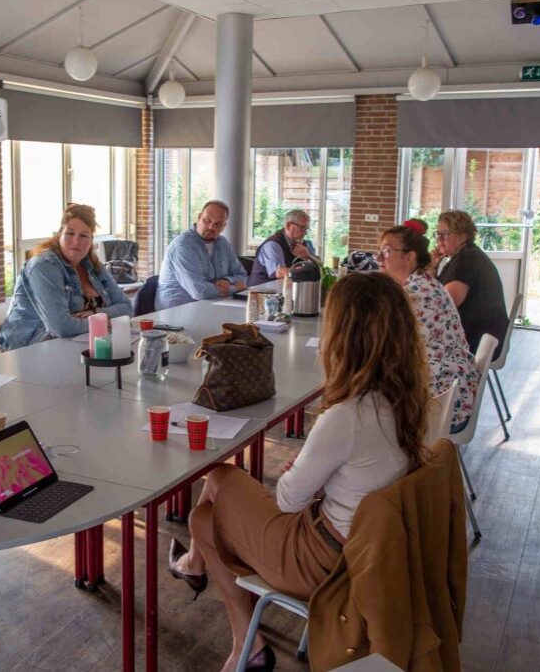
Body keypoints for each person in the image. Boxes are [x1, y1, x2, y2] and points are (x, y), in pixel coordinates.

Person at [166, 273, 431, 672]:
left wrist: (305, 466)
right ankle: (215, 597)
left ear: (345, 336)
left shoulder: (349, 415)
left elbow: (288, 499)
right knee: (205, 513)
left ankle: (240, 633)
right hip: (365, 550)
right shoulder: (407, 399)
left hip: (323, 561)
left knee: (214, 490)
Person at [378, 218, 479, 431]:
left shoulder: (415, 295)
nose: (379, 258)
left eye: (387, 251)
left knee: (359, 405)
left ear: (409, 257)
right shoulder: (424, 283)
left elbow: (380, 348)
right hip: (451, 391)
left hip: (441, 404)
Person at [0, 204, 131, 350]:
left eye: (84, 235)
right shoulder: (44, 266)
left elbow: (127, 308)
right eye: (70, 233)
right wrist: (105, 320)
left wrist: (95, 313)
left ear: (91, 240)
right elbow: (61, 327)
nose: (76, 241)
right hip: (30, 349)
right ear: (59, 235)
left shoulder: (91, 264)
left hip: (80, 345)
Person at [432, 209, 508, 359]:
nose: (439, 239)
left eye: (445, 234)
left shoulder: (467, 259)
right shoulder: (462, 256)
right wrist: (433, 267)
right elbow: (435, 294)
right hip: (480, 337)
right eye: (438, 233)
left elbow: (444, 304)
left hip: (475, 341)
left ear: (463, 234)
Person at [155, 200, 247, 310]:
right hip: (177, 311)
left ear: (224, 226)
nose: (211, 227)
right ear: (199, 217)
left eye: (218, 224)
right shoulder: (183, 245)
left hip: (212, 305)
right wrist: (235, 287)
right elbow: (199, 292)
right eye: (207, 220)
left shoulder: (223, 243)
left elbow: (243, 276)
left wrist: (227, 280)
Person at [247, 209, 319, 286]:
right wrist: (308, 273)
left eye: (306, 229)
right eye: (302, 228)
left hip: (287, 291)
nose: (305, 233)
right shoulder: (273, 244)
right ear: (288, 226)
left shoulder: (305, 244)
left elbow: (321, 268)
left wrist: (308, 256)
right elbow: (280, 272)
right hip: (261, 293)